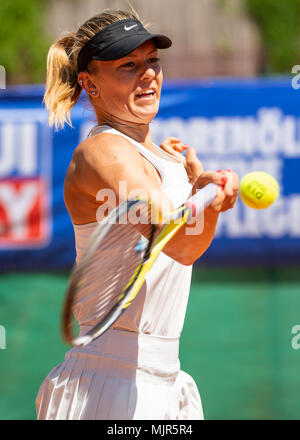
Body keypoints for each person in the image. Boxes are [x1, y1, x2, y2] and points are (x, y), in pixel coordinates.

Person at [36, 8, 239, 420]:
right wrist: (209, 204)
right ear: (89, 83)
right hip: (107, 383)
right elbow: (178, 242)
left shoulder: (167, 158)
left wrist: (202, 196)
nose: (148, 74)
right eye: (128, 65)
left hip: (165, 377)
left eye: (152, 62)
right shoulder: (103, 152)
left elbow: (187, 246)